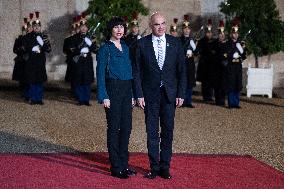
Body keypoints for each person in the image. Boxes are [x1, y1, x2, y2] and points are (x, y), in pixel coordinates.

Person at [133, 12, 186, 179]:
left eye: (163, 23)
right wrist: (139, 94)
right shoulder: (141, 44)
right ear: (151, 26)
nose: (161, 27)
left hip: (170, 95)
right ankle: (154, 168)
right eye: (157, 24)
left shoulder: (175, 43)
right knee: (152, 132)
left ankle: (165, 167)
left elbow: (182, 71)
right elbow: (137, 72)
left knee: (168, 132)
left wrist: (181, 93)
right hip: (150, 96)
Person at [96, 17, 136, 179]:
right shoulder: (105, 49)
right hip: (112, 89)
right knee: (114, 129)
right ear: (110, 30)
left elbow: (131, 73)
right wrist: (103, 95)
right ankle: (115, 166)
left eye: (122, 27)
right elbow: (99, 74)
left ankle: (124, 164)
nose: (119, 30)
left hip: (127, 90)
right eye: (116, 27)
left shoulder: (126, 48)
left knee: (126, 128)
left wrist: (133, 94)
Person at [22, 11, 51, 105]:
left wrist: (42, 44)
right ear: (33, 27)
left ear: (40, 27)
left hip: (40, 62)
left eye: (38, 26)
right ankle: (33, 98)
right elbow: (24, 48)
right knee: (32, 80)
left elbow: (48, 49)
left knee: (40, 81)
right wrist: (31, 48)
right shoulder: (27, 37)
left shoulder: (44, 36)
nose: (36, 27)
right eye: (35, 26)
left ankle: (39, 98)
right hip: (31, 61)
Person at [68, 13, 96, 106]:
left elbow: (95, 49)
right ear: (79, 28)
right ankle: (80, 99)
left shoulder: (91, 37)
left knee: (87, 81)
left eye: (85, 27)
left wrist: (90, 46)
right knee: (79, 80)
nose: (83, 28)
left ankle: (86, 99)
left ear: (87, 28)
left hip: (87, 61)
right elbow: (71, 50)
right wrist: (80, 49)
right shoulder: (74, 38)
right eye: (82, 26)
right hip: (78, 61)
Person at [225, 18, 247, 108]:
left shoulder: (240, 43)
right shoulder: (228, 43)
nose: (235, 35)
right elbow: (226, 54)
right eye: (234, 33)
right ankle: (231, 103)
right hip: (230, 67)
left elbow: (244, 56)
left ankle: (236, 103)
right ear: (231, 34)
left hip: (238, 66)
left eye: (237, 33)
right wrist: (233, 53)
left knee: (237, 84)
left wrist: (242, 49)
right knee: (231, 85)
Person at [196, 19, 218, 102]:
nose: (209, 34)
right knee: (205, 82)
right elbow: (199, 51)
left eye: (210, 32)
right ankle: (205, 96)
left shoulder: (214, 41)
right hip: (204, 64)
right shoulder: (201, 41)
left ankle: (210, 96)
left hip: (212, 65)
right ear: (205, 33)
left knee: (211, 81)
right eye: (208, 32)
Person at [179, 15, 196, 108]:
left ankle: (188, 101)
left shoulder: (192, 40)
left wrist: (194, 48)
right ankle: (181, 101)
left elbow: (197, 53)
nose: (186, 30)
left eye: (188, 29)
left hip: (190, 65)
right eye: (185, 29)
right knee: (182, 83)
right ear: (182, 30)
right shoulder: (179, 40)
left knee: (189, 83)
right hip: (182, 64)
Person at [63, 16, 80, 97]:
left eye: (76, 28)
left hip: (80, 59)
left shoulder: (81, 38)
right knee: (73, 78)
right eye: (74, 28)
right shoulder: (68, 39)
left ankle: (78, 93)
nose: (75, 30)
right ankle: (74, 91)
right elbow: (64, 50)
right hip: (71, 60)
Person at [214, 20, 228, 106]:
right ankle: (217, 100)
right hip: (216, 68)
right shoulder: (214, 43)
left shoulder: (226, 44)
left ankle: (222, 99)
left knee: (223, 85)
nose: (221, 36)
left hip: (224, 68)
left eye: (223, 35)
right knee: (217, 85)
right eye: (220, 34)